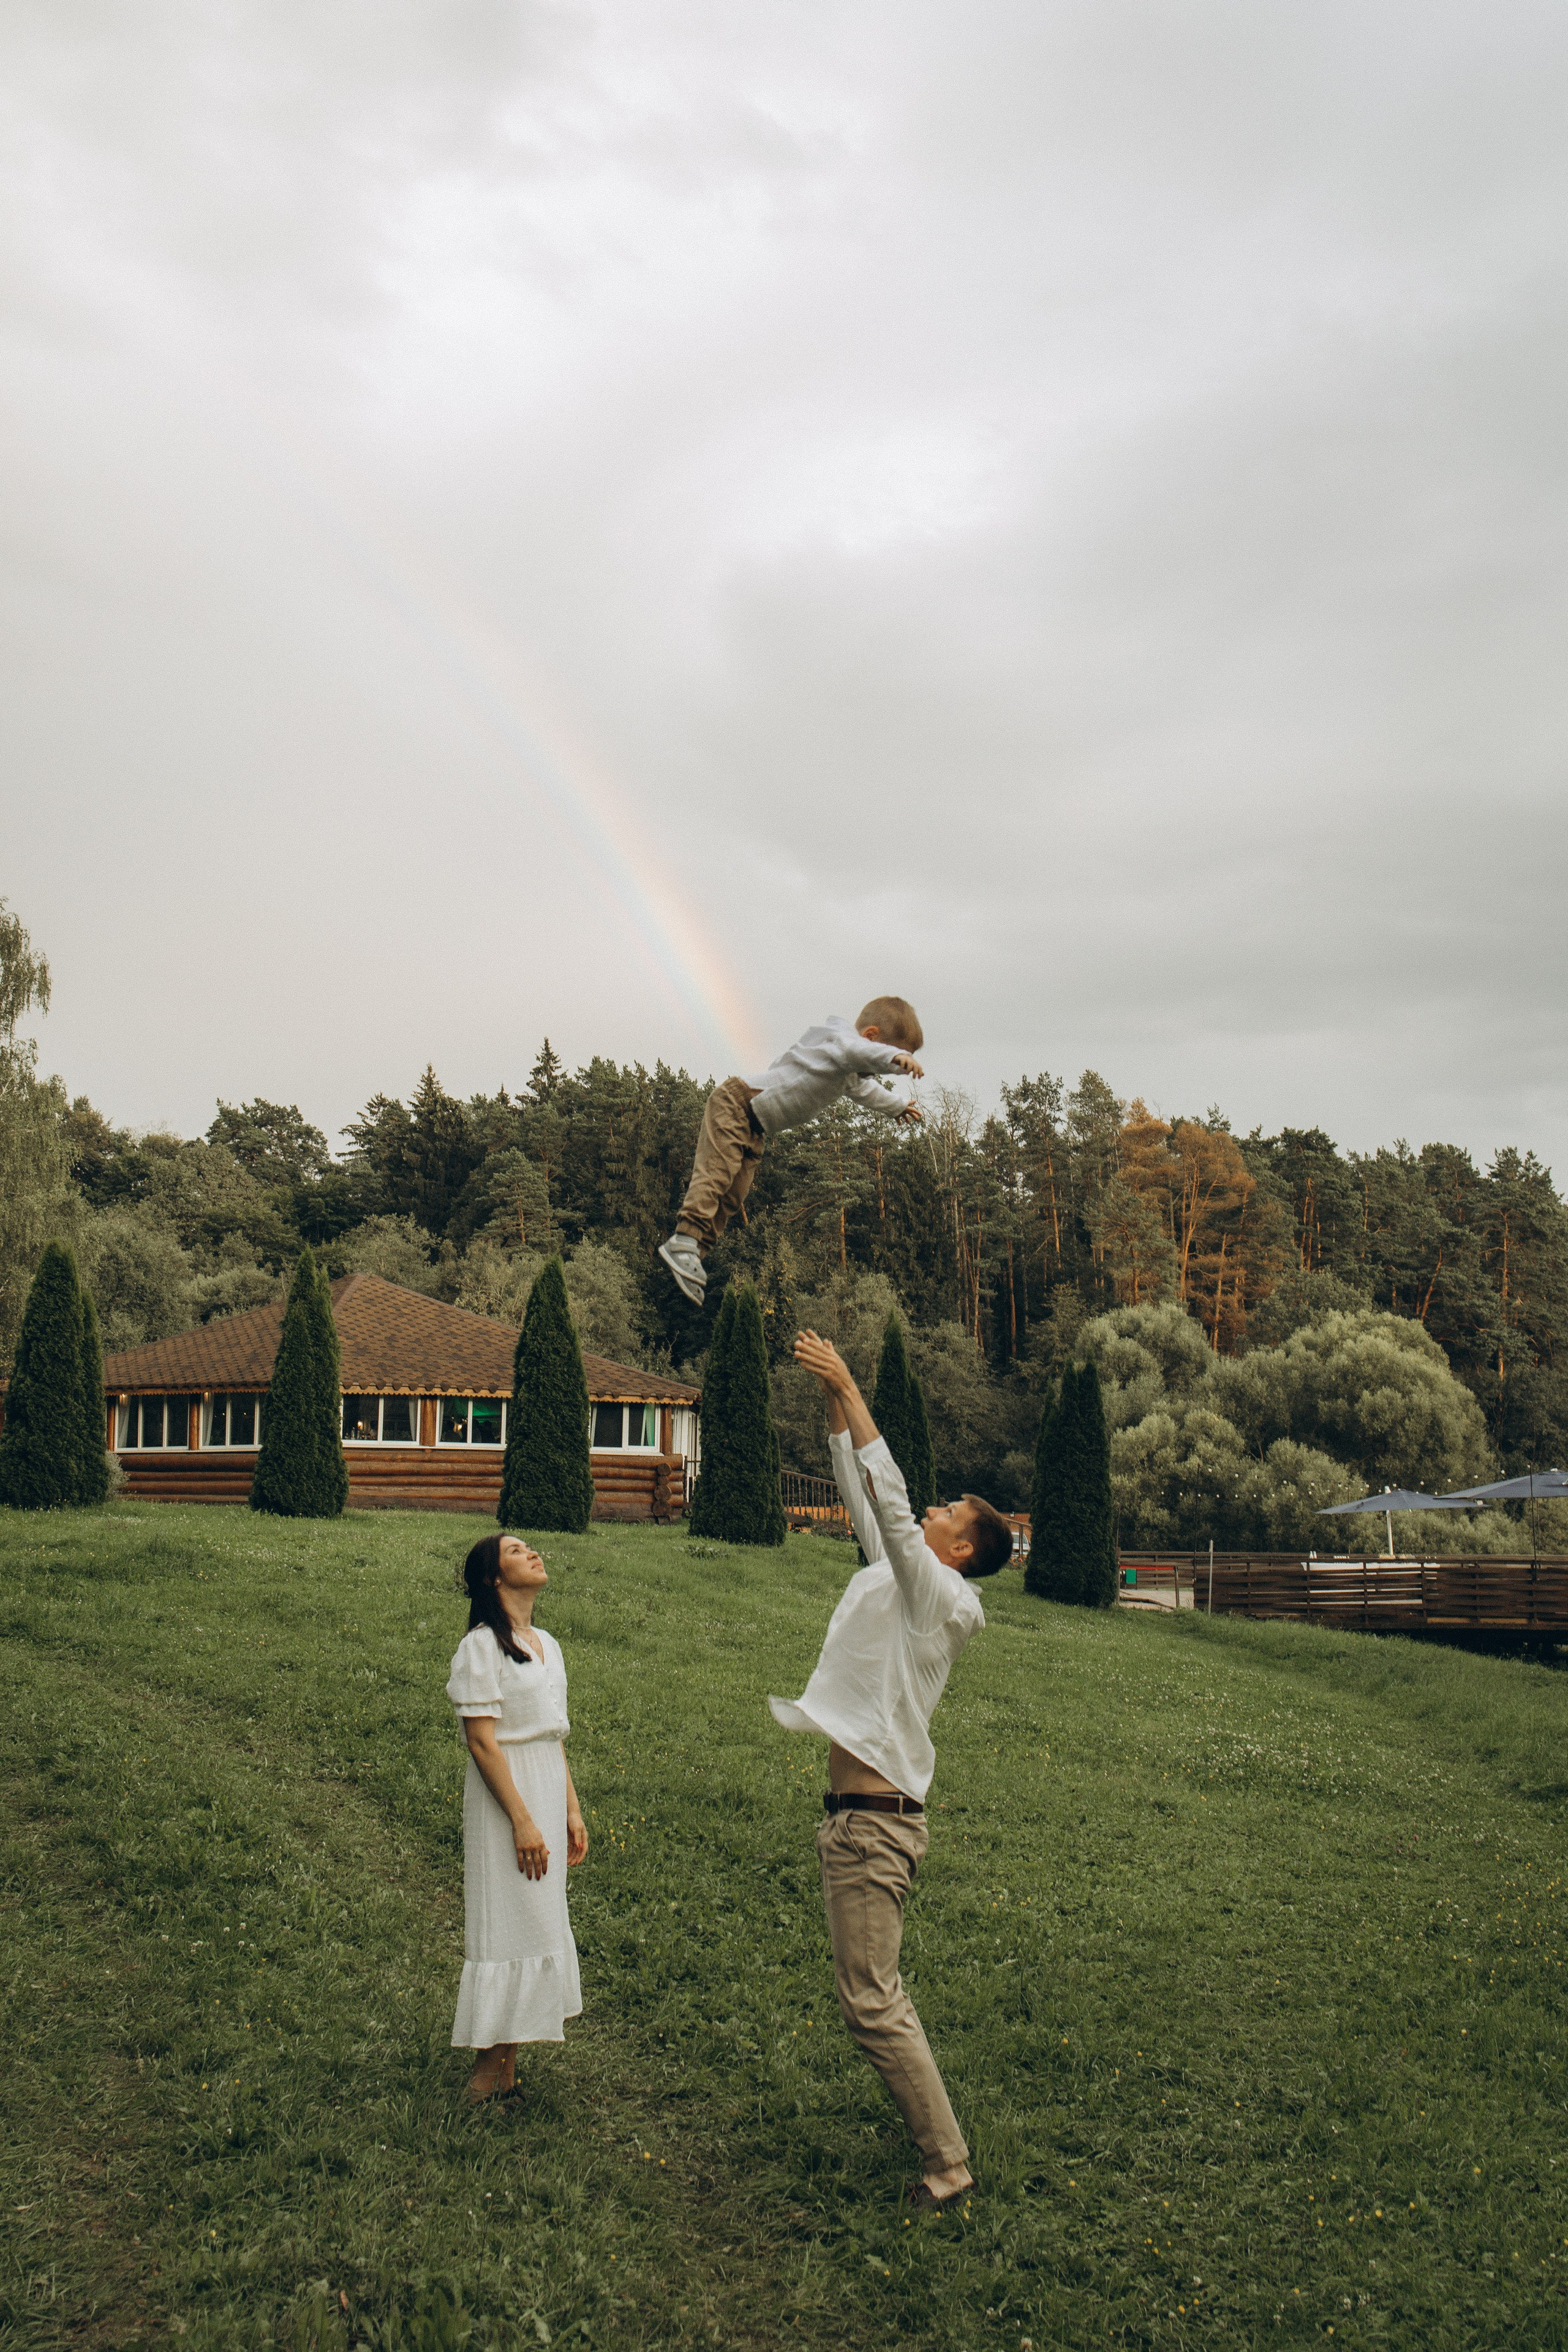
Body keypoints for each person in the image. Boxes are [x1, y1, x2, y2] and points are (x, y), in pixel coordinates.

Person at [772, 1331, 1014, 2210]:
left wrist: (850, 1382)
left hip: (875, 1828)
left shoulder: (941, 1599)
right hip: (859, 1819)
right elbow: (866, 1495)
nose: (933, 1514)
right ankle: (942, 2150)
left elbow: (894, 1497)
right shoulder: (900, 1577)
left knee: (872, 2001)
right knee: (869, 1996)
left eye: (948, 1512)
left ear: (957, 1548)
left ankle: (948, 2167)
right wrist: (835, 1401)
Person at [657, 999, 926, 1304]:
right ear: (871, 1037)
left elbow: (866, 1091)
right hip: (737, 1104)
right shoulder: (838, 1040)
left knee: (733, 1196)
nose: (883, 1072)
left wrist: (896, 1106)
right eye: (888, 1063)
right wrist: (896, 1056)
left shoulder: (849, 1071)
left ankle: (694, 1253)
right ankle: (685, 1237)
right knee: (717, 1175)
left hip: (755, 1127)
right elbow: (858, 1052)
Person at [446, 1532, 589, 2103]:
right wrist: (522, 1821)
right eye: (515, 1551)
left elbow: (553, 1735)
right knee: (505, 1922)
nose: (532, 1553)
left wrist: (571, 1811)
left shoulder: (547, 1643)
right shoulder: (481, 1647)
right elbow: (482, 1744)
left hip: (547, 1791)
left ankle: (509, 2072)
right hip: (506, 1797)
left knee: (537, 1918)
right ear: (494, 1579)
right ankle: (485, 2074)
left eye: (530, 1547)